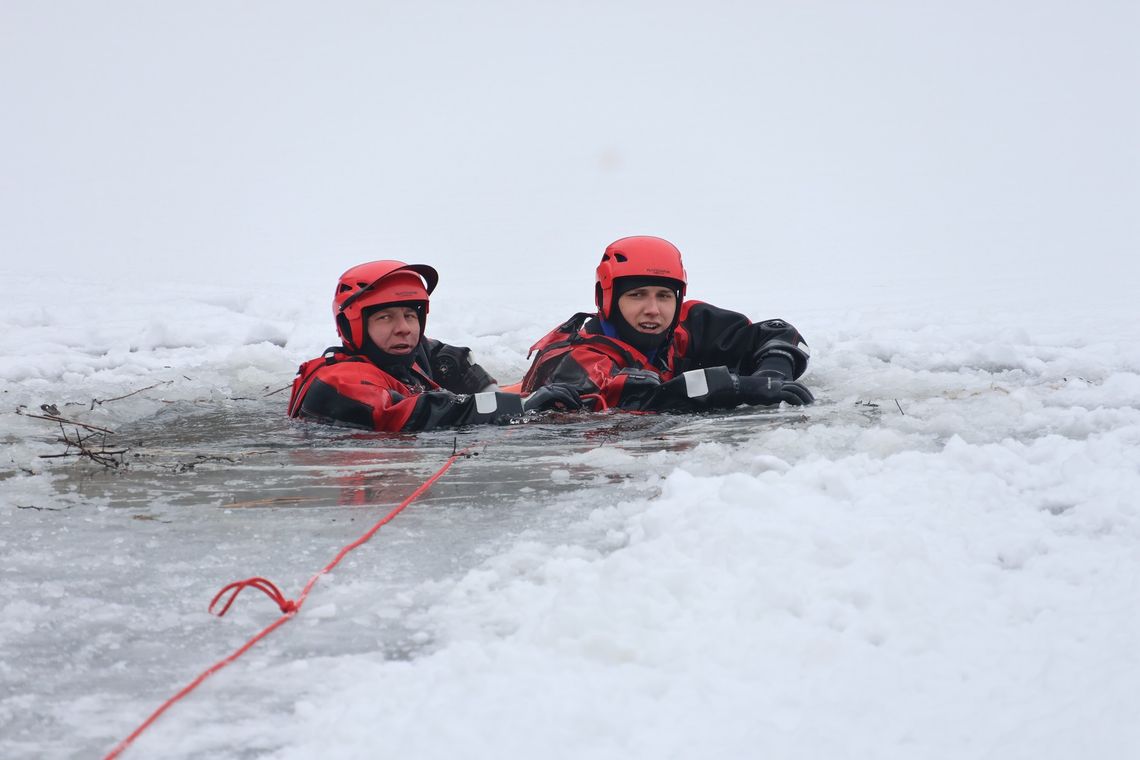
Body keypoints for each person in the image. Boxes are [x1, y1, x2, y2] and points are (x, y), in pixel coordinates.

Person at [519, 236, 814, 412]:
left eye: (664, 296)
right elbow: (649, 398)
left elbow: (777, 333)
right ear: (607, 299)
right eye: (637, 296)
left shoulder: (684, 324)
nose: (653, 310)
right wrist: (738, 387)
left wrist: (772, 375)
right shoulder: (580, 361)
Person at [289, 260, 580, 431]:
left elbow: (450, 359)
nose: (403, 328)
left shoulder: (406, 357)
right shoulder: (339, 381)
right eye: (385, 317)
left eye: (410, 315)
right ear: (350, 325)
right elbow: (419, 412)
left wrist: (495, 392)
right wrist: (518, 406)